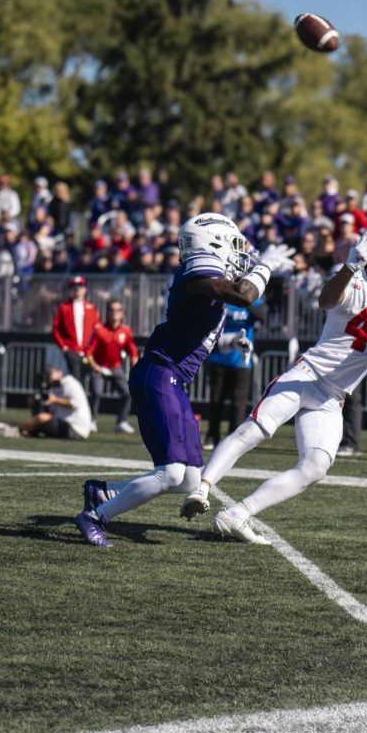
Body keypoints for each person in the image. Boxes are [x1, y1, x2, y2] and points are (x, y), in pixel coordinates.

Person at [181, 230, 367, 543]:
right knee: (254, 429)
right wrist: (350, 266)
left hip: (333, 396)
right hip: (306, 374)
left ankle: (238, 514)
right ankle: (201, 488)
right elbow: (325, 300)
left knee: (315, 467)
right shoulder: (352, 276)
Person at [75, 214, 291, 547]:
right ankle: (95, 515)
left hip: (172, 379)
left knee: (189, 480)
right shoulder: (197, 272)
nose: (239, 254)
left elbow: (201, 335)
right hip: (160, 375)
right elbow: (244, 295)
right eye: (233, 246)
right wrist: (265, 268)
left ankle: (101, 491)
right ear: (213, 244)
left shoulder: (204, 283)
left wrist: (234, 343)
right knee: (171, 472)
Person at [204, 299, 264, 451]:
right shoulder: (222, 297)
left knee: (238, 403)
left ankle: (234, 439)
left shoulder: (253, 298)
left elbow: (261, 314)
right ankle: (212, 435)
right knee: (216, 400)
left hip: (241, 361)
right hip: (218, 358)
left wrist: (245, 297)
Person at [0, 363, 91, 440]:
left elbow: (75, 403)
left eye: (50, 373)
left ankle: (13, 429)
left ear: (59, 372)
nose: (48, 377)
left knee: (42, 418)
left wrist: (55, 401)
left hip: (76, 428)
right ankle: (21, 430)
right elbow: (49, 411)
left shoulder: (69, 382)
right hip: (63, 424)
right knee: (40, 416)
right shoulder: (52, 388)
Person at [86, 298, 140, 434]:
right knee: (96, 392)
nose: (115, 313)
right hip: (99, 367)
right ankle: (91, 420)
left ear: (122, 313)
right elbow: (89, 353)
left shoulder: (126, 331)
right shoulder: (99, 330)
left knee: (127, 393)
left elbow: (133, 352)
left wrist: (135, 368)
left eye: (118, 310)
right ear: (107, 313)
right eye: (112, 310)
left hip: (115, 367)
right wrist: (94, 366)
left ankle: (121, 422)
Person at [51, 276, 100, 389]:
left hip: (88, 351)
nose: (78, 290)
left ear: (85, 289)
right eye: (75, 287)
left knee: (92, 380)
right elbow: (56, 329)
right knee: (76, 379)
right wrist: (63, 346)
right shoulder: (64, 308)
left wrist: (93, 348)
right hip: (72, 349)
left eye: (80, 287)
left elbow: (97, 328)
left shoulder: (91, 307)